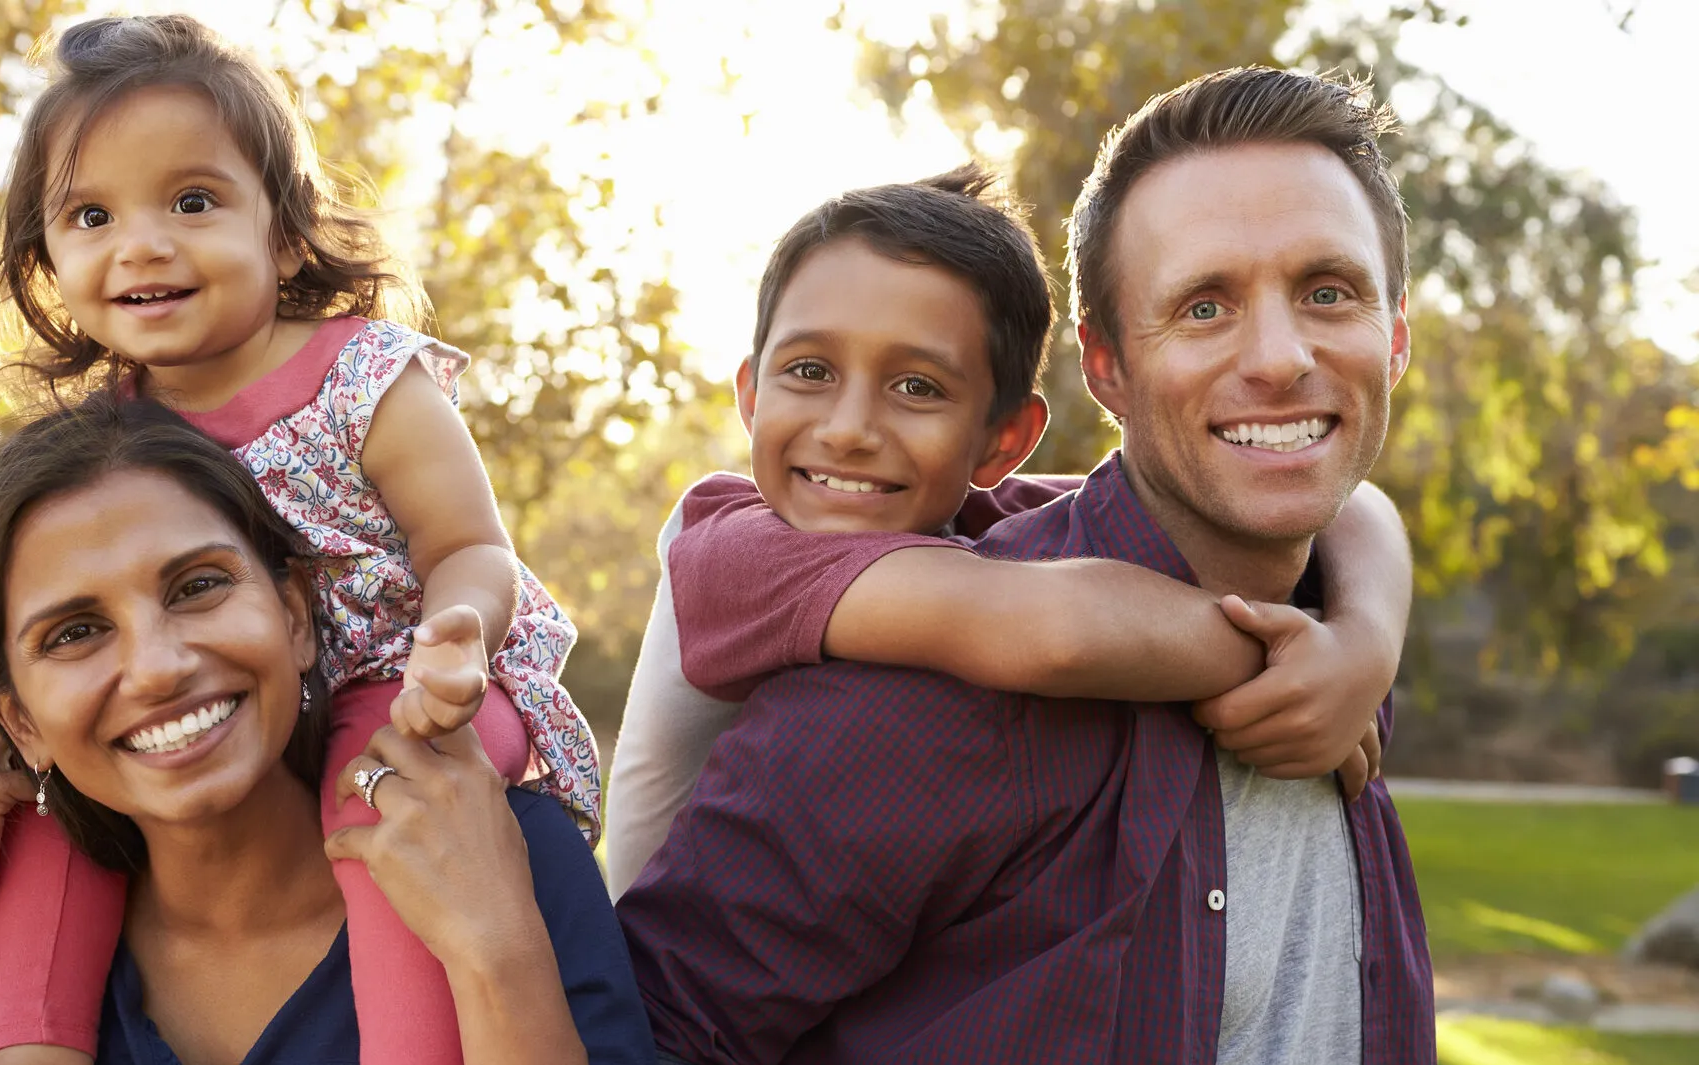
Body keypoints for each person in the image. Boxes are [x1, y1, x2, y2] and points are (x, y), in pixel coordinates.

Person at [618, 67, 1437, 1065]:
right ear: (1107, 366)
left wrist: (1362, 642)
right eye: (1203, 306)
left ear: (1393, 338)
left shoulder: (1335, 641)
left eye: (1328, 292)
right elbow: (651, 1035)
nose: (1280, 359)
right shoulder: (929, 670)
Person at [0, 15, 598, 1065]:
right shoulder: (108, 439)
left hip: (403, 682)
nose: (143, 246)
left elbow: (469, 543)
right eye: (91, 217)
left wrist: (457, 640)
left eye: (191, 202)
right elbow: (20, 604)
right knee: (55, 811)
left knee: (374, 806)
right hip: (242, 710)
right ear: (50, 268)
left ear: (283, 237)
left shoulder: (363, 374)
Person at [0, 397, 658, 1065]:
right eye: (75, 633)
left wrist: (494, 953)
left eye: (198, 586)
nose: (158, 668)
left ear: (297, 618)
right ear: (19, 720)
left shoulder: (500, 856)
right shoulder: (4, 940)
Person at [602, 165, 1407, 896]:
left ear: (1003, 442)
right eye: (810, 372)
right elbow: (1060, 629)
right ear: (749, 393)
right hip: (649, 1021)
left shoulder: (981, 520)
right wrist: (1296, 663)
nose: (848, 429)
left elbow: (1359, 506)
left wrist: (1362, 644)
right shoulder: (731, 544)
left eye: (917, 387)